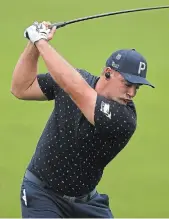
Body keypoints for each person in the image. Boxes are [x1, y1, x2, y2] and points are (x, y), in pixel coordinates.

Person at [11, 21, 154, 218]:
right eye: (127, 84)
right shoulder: (75, 80)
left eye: (137, 87)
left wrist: (41, 41)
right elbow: (21, 88)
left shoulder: (124, 119)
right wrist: (33, 44)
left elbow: (77, 91)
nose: (132, 93)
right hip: (41, 194)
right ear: (107, 73)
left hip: (88, 205)